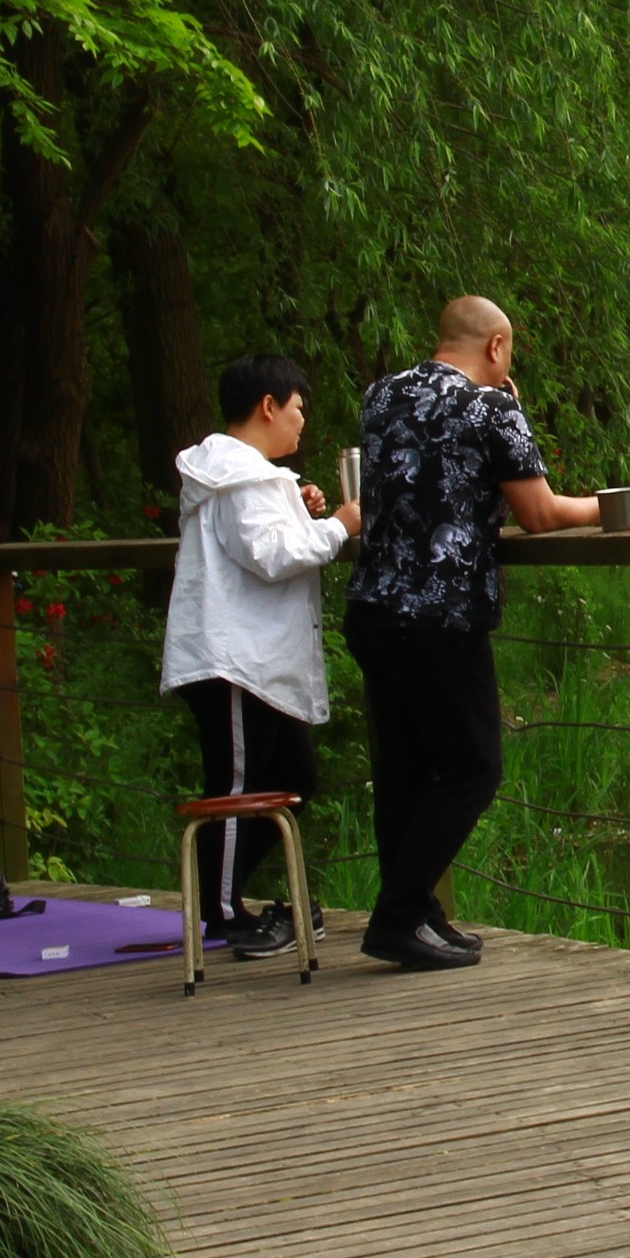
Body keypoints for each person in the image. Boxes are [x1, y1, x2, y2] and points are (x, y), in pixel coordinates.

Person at [341, 296, 599, 970]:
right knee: (472, 768)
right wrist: (610, 506)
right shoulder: (491, 408)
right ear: (496, 348)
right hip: (441, 613)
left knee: (404, 769)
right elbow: (539, 513)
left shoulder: (381, 396)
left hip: (372, 610)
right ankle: (397, 917)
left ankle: (419, 914)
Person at [160, 354, 361, 958]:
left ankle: (223, 894)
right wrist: (342, 527)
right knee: (236, 784)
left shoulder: (242, 475)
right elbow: (269, 555)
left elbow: (260, 538)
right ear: (268, 406)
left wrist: (296, 507)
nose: (302, 423)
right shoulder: (239, 476)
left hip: (250, 662)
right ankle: (222, 913)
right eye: (298, 409)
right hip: (231, 661)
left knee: (295, 778)